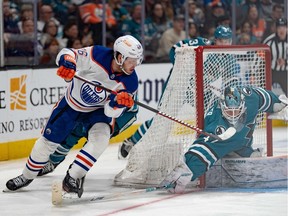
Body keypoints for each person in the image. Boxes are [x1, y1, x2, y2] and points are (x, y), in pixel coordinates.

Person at [5, 35, 144, 198]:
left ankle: (73, 176)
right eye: (131, 60)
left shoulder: (131, 82)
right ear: (120, 57)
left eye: (137, 60)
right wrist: (67, 63)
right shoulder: (98, 54)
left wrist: (117, 104)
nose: (135, 64)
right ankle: (27, 176)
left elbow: (110, 113)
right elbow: (68, 53)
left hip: (97, 112)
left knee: (101, 138)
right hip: (71, 105)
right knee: (46, 143)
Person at [161, 86, 288, 194]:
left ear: (243, 104)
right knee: (211, 151)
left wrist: (279, 104)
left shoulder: (250, 98)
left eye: (236, 111)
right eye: (229, 111)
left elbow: (262, 96)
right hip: (226, 144)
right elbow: (204, 148)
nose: (233, 115)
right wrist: (189, 169)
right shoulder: (216, 125)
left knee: (252, 154)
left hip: (244, 144)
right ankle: (233, 151)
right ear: (221, 107)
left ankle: (242, 150)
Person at [119, 36, 212, 158]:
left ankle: (210, 146)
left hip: (195, 89)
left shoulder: (224, 57)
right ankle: (131, 141)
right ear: (216, 40)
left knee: (211, 111)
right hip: (177, 84)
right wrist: (183, 69)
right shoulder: (203, 43)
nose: (224, 43)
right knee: (162, 118)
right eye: (221, 40)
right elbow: (174, 49)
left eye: (227, 40)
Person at [263, 18, 287, 96]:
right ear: (276, 29)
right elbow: (260, 56)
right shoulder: (269, 41)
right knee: (265, 92)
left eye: (284, 28)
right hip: (271, 71)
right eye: (279, 28)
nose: (282, 30)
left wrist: (285, 62)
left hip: (286, 72)